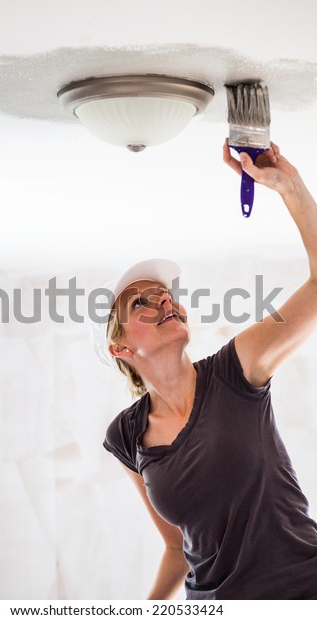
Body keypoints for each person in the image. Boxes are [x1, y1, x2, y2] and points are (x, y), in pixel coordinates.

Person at [90, 140, 317, 600]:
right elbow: (178, 547)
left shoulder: (237, 371)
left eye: (165, 295)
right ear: (122, 348)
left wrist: (290, 186)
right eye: (142, 302)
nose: (163, 301)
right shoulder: (126, 435)